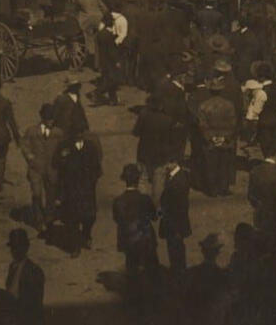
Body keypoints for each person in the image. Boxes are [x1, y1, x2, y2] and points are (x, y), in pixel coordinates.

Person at [111, 163, 159, 301]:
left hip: (129, 241)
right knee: (152, 269)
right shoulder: (145, 199)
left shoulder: (118, 201)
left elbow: (116, 219)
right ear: (138, 180)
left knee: (131, 268)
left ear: (124, 180)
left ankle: (134, 297)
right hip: (145, 240)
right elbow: (154, 217)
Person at [54, 127, 101, 257]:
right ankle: (75, 247)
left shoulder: (91, 147)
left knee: (89, 217)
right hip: (71, 189)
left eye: (80, 133)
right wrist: (62, 158)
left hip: (87, 189)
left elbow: (97, 168)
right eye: (75, 133)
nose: (78, 135)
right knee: (72, 219)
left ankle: (86, 235)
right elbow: (56, 163)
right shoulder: (64, 146)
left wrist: (92, 181)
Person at [20, 103, 63, 233]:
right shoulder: (32, 131)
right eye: (48, 118)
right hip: (36, 169)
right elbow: (24, 145)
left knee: (51, 195)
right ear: (43, 118)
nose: (51, 121)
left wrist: (61, 158)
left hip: (52, 169)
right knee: (37, 194)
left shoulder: (58, 133)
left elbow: (62, 148)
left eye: (53, 118)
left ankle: (49, 219)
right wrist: (29, 156)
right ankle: (38, 220)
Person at [247, 152, 276, 271]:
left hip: (259, 212)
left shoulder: (255, 171)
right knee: (274, 242)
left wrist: (258, 205)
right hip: (274, 214)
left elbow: (250, 195)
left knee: (261, 240)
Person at [5, 228, 45, 325]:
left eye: (18, 247)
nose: (15, 251)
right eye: (13, 248)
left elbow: (33, 305)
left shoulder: (34, 271)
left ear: (26, 248)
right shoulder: (12, 267)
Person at [158, 159, 191, 275]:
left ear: (173, 163)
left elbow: (180, 208)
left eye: (166, 164)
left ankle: (178, 271)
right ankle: (177, 269)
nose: (165, 167)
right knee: (174, 248)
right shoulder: (175, 175)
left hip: (175, 223)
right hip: (172, 222)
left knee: (176, 249)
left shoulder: (178, 181)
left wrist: (177, 228)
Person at [245, 62, 276, 157]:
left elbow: (256, 111)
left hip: (264, 123)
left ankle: (268, 167)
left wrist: (249, 120)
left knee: (266, 148)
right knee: (274, 147)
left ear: (261, 77)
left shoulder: (261, 93)